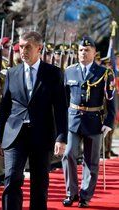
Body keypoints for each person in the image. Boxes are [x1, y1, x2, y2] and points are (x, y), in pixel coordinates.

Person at [0, 31, 67, 210]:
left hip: (41, 135)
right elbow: (4, 108)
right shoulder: (12, 73)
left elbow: (60, 108)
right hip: (14, 134)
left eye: (28, 47)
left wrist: (61, 138)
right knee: (11, 179)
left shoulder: (53, 73)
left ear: (39, 48)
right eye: (21, 46)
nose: (23, 51)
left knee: (39, 184)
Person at [62, 36, 116, 208]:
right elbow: (63, 99)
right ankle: (71, 193)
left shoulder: (104, 73)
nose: (83, 53)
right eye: (80, 50)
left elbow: (111, 100)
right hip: (73, 119)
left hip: (94, 121)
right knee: (68, 154)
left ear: (94, 52)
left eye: (87, 50)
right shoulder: (69, 71)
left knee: (91, 161)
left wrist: (109, 122)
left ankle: (85, 195)